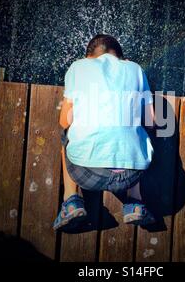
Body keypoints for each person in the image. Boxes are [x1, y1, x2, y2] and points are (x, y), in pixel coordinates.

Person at [53, 34, 156, 230]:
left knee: (66, 136)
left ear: (88, 57)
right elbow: (151, 122)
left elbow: (64, 121)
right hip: (131, 175)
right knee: (141, 133)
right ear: (120, 58)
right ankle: (135, 203)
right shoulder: (135, 69)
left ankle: (71, 201)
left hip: (86, 174)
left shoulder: (78, 67)